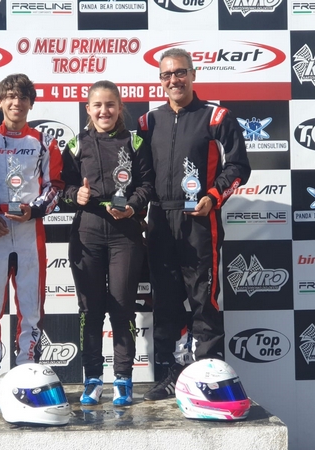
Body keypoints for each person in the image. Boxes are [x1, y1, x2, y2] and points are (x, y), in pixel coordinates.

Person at [136, 48, 251, 401]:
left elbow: (239, 167)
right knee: (165, 301)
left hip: (200, 219)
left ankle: (209, 376)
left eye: (180, 72)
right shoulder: (148, 122)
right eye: (167, 74)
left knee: (204, 299)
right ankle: (169, 375)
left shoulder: (216, 116)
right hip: (160, 219)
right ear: (160, 80)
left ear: (193, 74)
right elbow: (139, 175)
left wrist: (213, 196)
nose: (174, 80)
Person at [0, 73, 64, 411]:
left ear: (31, 104)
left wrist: (35, 210)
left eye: (23, 97)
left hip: (28, 231)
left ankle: (27, 372)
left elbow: (56, 186)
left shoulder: (44, 141)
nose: (16, 102)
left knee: (30, 308)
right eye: (9, 96)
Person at [61, 80, 154, 406]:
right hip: (87, 232)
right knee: (90, 309)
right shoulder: (76, 144)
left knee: (122, 306)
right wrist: (76, 195)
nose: (105, 111)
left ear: (120, 107)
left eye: (110, 104)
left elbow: (148, 185)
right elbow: (61, 189)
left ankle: (124, 378)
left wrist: (133, 206)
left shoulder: (136, 141)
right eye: (98, 105)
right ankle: (93, 379)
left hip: (125, 233)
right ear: (88, 109)